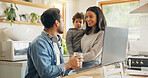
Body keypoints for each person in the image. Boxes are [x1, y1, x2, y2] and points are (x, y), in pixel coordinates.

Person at [25, 8, 82, 78]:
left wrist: (72, 66)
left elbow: (58, 70)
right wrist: (68, 64)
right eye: (62, 21)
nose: (63, 24)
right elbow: (46, 73)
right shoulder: (39, 44)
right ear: (57, 23)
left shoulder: (55, 41)